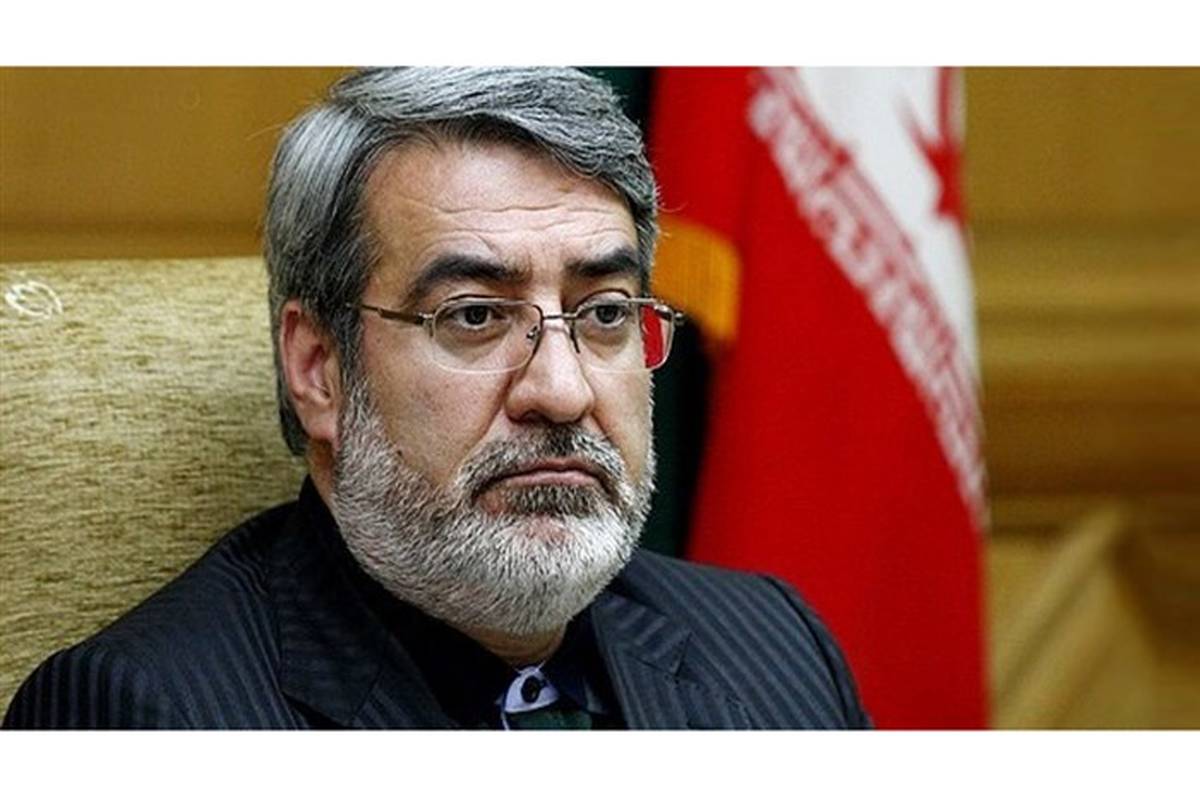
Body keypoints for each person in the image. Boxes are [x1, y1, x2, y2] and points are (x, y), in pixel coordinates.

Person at [3, 67, 870, 730]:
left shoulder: (777, 649)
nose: (561, 390)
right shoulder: (146, 713)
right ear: (319, 368)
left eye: (605, 313)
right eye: (475, 316)